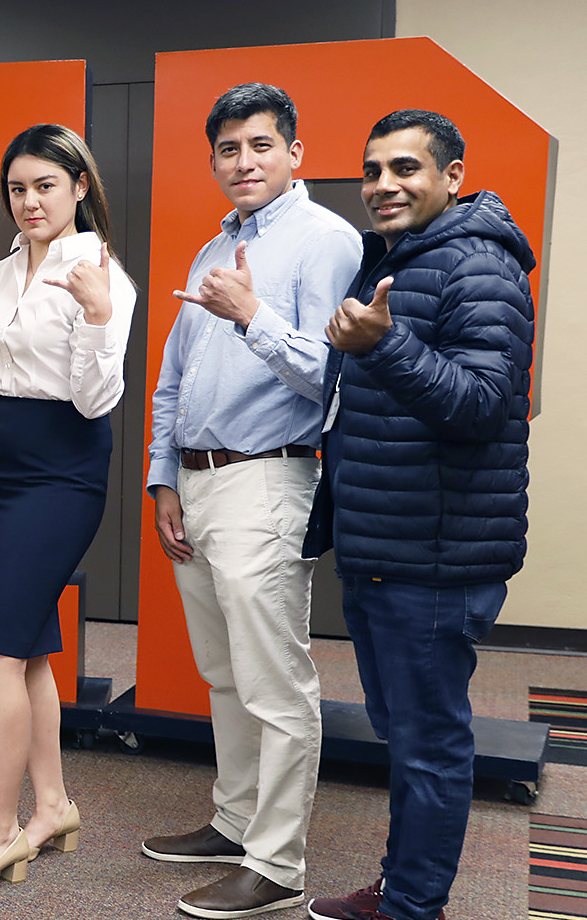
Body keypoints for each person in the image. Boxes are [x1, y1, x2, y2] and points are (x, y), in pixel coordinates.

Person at [303, 111, 533, 920]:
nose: (383, 186)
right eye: (372, 171)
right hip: (385, 546)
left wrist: (384, 346)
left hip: (434, 559)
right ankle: (403, 888)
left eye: (406, 168)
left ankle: (413, 908)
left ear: (453, 177)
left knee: (430, 747)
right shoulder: (398, 261)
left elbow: (481, 404)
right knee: (406, 740)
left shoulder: (479, 268)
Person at [143, 83, 361, 919]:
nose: (244, 162)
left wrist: (252, 315)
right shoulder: (212, 248)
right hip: (197, 483)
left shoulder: (325, 242)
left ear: (295, 153)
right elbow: (172, 380)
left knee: (277, 684)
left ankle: (277, 866)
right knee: (224, 674)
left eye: (261, 146)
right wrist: (164, 476)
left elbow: (334, 380)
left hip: (269, 476)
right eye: (229, 149)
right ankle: (235, 823)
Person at [0, 124, 136, 893]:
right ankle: (52, 806)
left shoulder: (102, 272)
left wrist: (98, 316)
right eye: (17, 188)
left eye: (45, 185)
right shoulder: (2, 270)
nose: (29, 201)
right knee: (30, 648)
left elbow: (94, 399)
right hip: (1, 462)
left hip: (63, 467)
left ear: (80, 186)